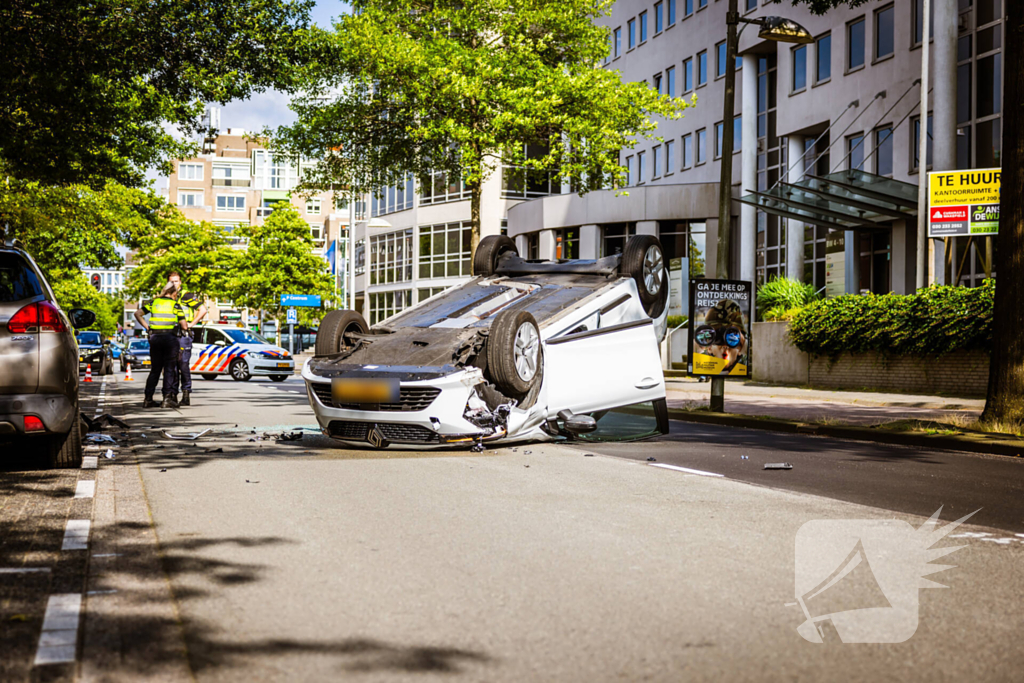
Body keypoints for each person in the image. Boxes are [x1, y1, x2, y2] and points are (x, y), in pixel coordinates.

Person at [134, 282, 187, 409]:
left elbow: (137, 314)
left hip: (155, 338)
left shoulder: (154, 303)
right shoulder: (175, 305)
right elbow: (184, 325)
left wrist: (148, 328)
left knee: (155, 369)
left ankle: (148, 399)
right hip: (170, 338)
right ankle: (167, 399)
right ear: (174, 293)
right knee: (169, 369)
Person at [172, 279, 207, 407]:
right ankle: (172, 395)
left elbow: (202, 310)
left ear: (180, 282)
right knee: (172, 366)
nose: (174, 284)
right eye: (171, 282)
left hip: (184, 334)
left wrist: (191, 324)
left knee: (183, 364)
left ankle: (186, 393)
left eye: (176, 281)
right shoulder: (168, 297)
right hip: (171, 334)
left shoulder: (186, 296)